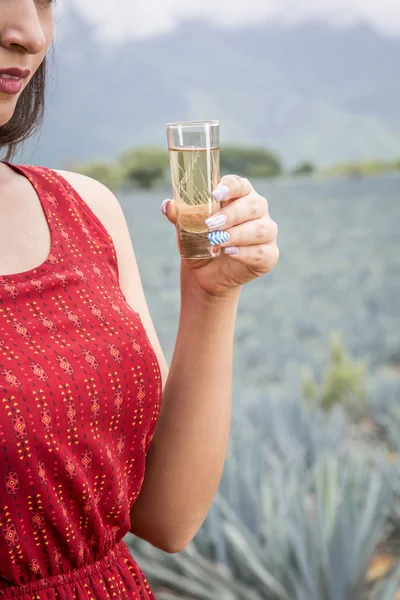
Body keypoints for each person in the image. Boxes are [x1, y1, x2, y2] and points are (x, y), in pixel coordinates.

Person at [0, 1, 279, 598]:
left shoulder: (85, 211)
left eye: (43, 1)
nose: (27, 32)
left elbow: (166, 516)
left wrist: (211, 294)